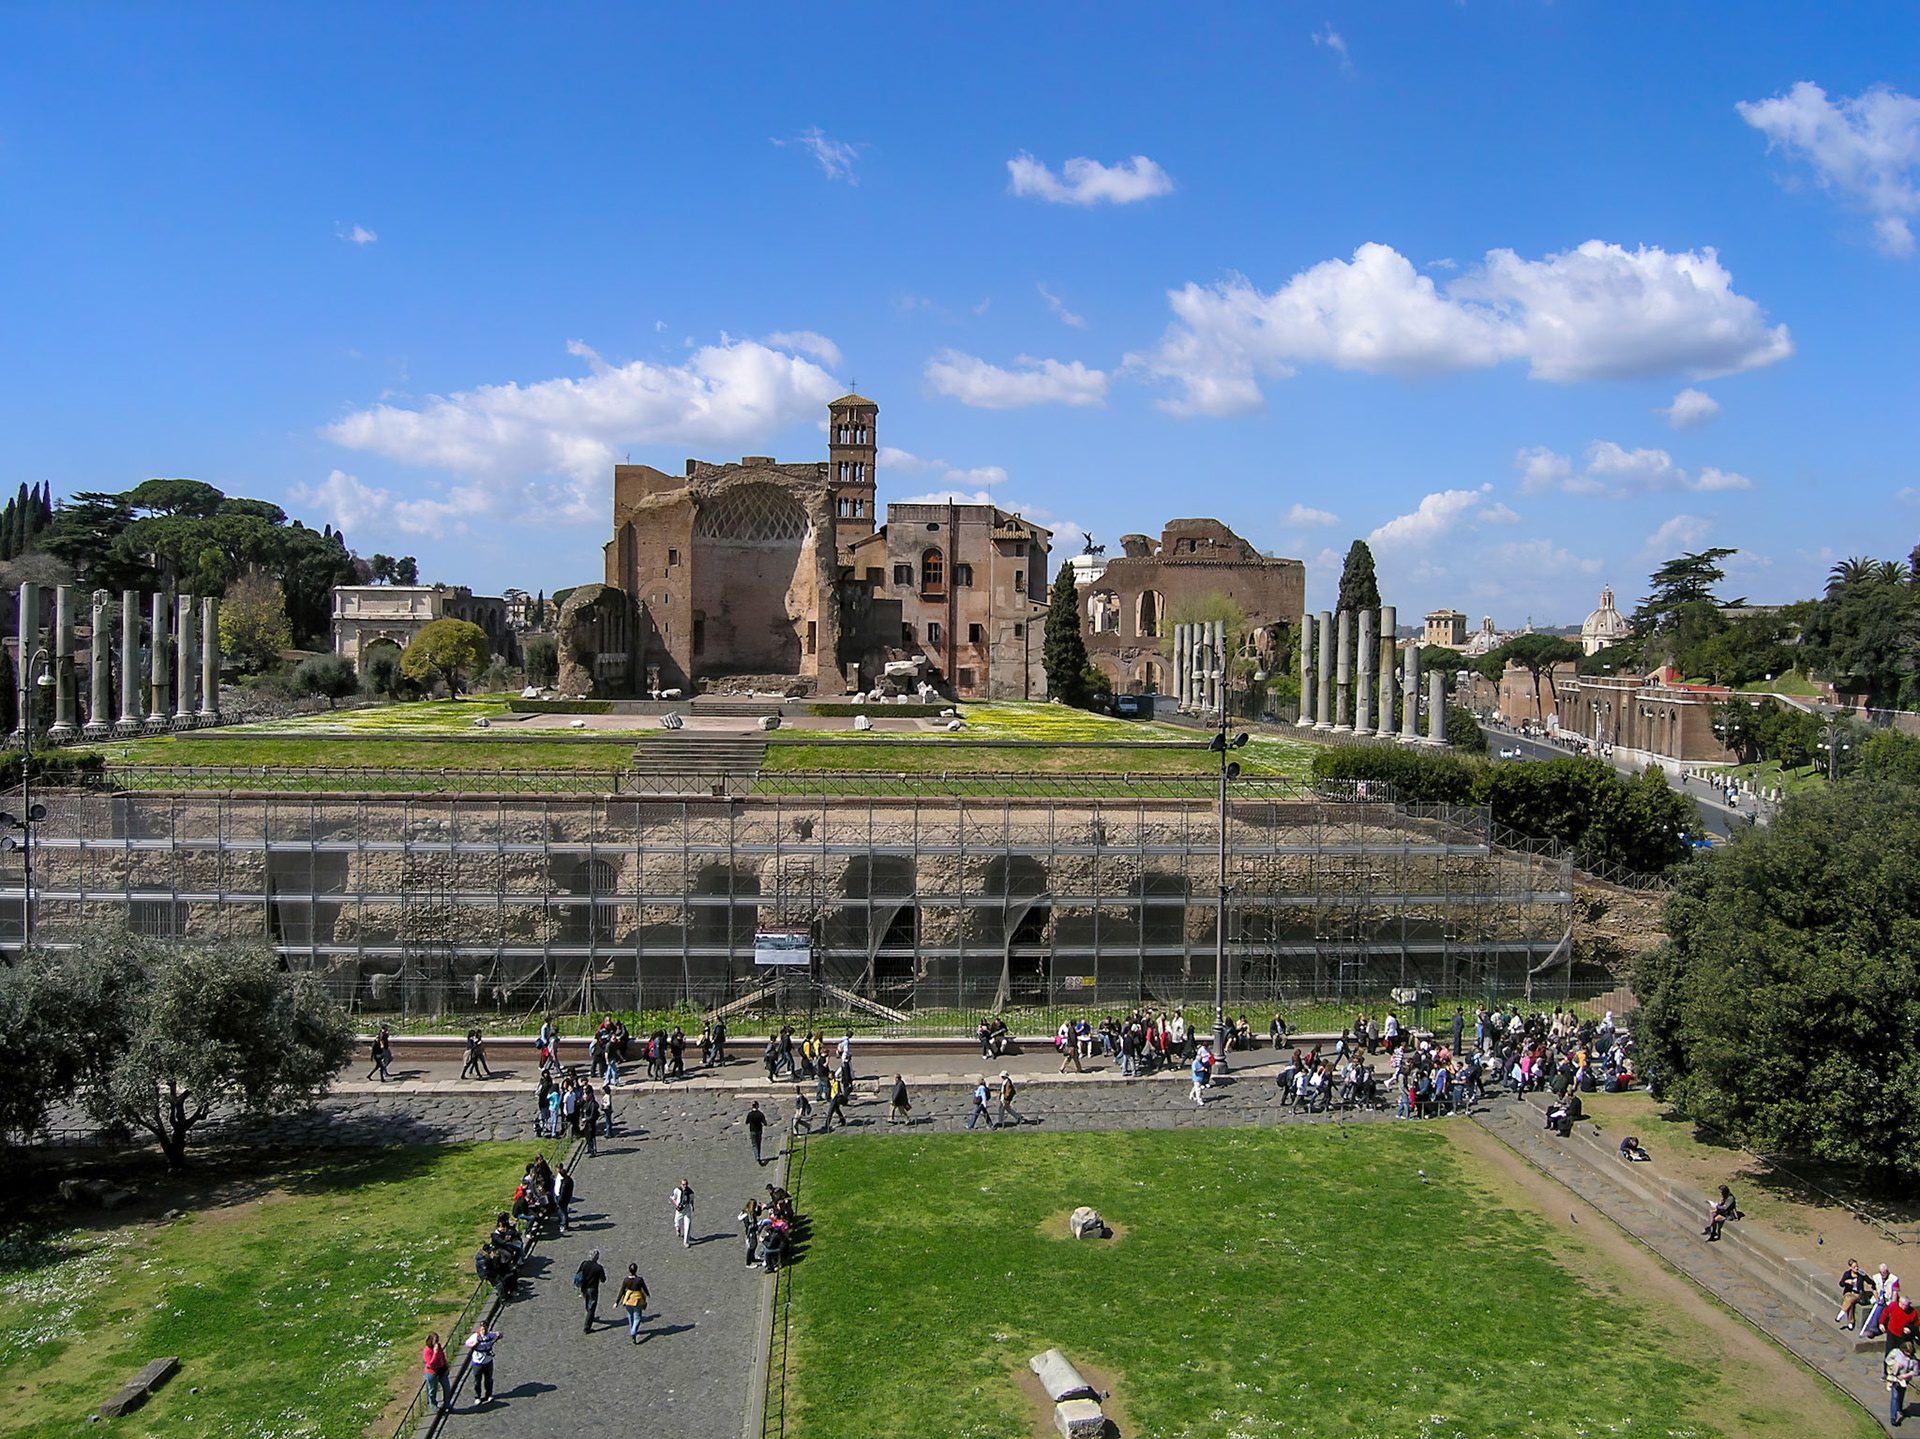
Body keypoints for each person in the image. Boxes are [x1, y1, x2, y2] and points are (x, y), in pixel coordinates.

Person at [464, 1321, 499, 1405]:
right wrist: (474, 1342)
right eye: (482, 1329)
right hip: (477, 1362)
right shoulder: (476, 1336)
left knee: (488, 1379)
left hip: (488, 1361)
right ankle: (477, 1397)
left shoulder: (490, 1335)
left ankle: (489, 1395)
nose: (484, 1331)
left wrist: (498, 1335)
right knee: (477, 1381)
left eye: (485, 1329)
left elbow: (498, 1335)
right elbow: (467, 1343)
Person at [574, 1248, 606, 1332]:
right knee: (592, 1306)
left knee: (587, 1302)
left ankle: (590, 1316)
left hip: (584, 1287)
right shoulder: (598, 1268)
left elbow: (579, 1273)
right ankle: (587, 1327)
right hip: (592, 1288)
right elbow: (603, 1279)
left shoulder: (584, 1264)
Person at [617, 1263, 650, 1344]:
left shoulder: (626, 1280)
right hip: (637, 1300)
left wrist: (617, 1302)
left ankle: (632, 1329)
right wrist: (648, 1294)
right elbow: (644, 1288)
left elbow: (622, 1291)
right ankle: (633, 1332)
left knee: (630, 1316)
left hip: (628, 1300)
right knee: (637, 1317)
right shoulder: (639, 1280)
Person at [422, 1332, 453, 1412]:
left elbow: (442, 1356)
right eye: (435, 1341)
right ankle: (432, 1403)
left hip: (442, 1370)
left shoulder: (438, 1346)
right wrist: (435, 1353)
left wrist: (446, 1365)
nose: (437, 1343)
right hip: (432, 1372)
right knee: (433, 1389)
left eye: (437, 1340)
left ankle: (447, 1403)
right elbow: (431, 1363)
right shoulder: (427, 1351)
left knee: (446, 1387)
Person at [1840, 1259, 1874, 1331]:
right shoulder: (1847, 1274)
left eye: (1857, 1266)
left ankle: (1842, 1312)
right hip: (1850, 1293)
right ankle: (1850, 1322)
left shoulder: (1860, 1274)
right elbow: (1841, 1283)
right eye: (1854, 1267)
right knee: (1850, 1302)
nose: (1856, 1268)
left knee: (1849, 1300)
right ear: (1850, 1268)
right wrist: (1847, 1281)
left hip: (1858, 1294)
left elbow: (1870, 1281)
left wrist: (1873, 1285)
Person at [1890, 1339, 1918, 1427]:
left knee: (1901, 1395)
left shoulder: (1914, 1360)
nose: (1908, 1354)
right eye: (1907, 1352)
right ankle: (1893, 1417)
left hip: (1905, 1380)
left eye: (1910, 1352)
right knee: (1895, 1396)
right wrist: (1894, 1366)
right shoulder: (1896, 1353)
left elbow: (1915, 1372)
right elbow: (1888, 1360)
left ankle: (1900, 1409)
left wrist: (1906, 1376)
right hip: (1895, 1378)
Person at [670, 1177, 694, 1248]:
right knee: (677, 1221)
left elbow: (692, 1200)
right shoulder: (677, 1190)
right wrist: (677, 1205)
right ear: (681, 1184)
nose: (685, 1186)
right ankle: (678, 1229)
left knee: (688, 1224)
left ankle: (686, 1241)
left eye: (686, 1184)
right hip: (679, 1210)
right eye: (683, 1184)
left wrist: (692, 1206)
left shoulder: (690, 1192)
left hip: (686, 1209)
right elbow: (672, 1198)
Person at [554, 1164, 575, 1235]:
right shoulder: (570, 1180)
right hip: (567, 1198)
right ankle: (564, 1224)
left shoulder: (565, 1183)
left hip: (563, 1199)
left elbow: (562, 1192)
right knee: (564, 1211)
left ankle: (563, 1225)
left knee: (562, 1211)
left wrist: (559, 1200)